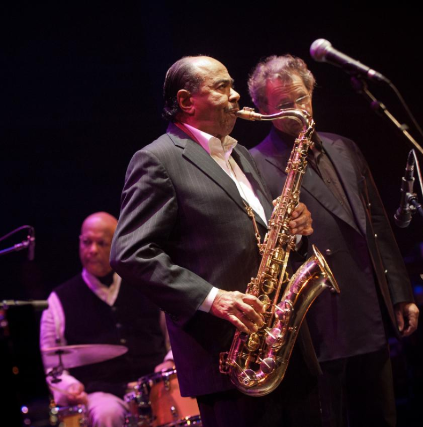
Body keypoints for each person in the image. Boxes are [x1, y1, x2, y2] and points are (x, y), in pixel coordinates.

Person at [109, 55, 320, 427]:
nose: (236, 95)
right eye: (222, 87)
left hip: (282, 348)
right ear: (187, 101)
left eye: (232, 85)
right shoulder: (157, 159)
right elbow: (130, 253)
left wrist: (294, 229)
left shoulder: (239, 154)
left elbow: (258, 236)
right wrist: (212, 298)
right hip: (228, 356)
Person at [247, 54, 419, 427]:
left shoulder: (344, 146)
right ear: (263, 110)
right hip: (317, 324)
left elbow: (376, 223)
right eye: (285, 104)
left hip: (368, 311)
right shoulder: (252, 164)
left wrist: (399, 292)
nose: (299, 110)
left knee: (383, 418)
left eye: (302, 98)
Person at [39, 211, 174, 427]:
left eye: (101, 243)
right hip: (100, 394)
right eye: (86, 242)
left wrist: (170, 361)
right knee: (106, 414)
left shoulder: (145, 283)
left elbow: (174, 334)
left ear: (117, 243)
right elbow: (51, 363)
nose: (92, 250)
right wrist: (69, 387)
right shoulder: (58, 300)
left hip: (155, 385)